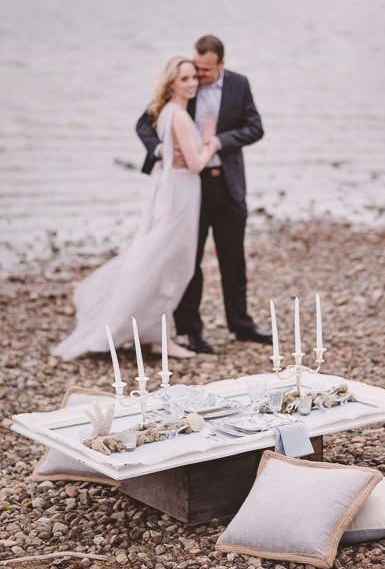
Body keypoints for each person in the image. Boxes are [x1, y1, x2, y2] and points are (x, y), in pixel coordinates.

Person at [52, 56, 217, 360]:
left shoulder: (168, 112)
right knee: (169, 264)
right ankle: (153, 335)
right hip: (181, 193)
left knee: (168, 263)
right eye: (185, 79)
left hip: (176, 190)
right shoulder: (178, 115)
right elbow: (195, 164)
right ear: (171, 82)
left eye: (194, 77)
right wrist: (210, 144)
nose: (192, 83)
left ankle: (155, 334)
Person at [136, 35, 272, 354]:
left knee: (233, 258)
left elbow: (256, 128)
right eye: (196, 68)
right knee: (189, 259)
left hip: (227, 184)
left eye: (206, 70)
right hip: (190, 188)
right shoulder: (184, 83)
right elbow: (145, 124)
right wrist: (160, 150)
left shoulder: (240, 84)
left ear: (221, 64)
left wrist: (219, 141)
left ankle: (240, 324)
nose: (199, 76)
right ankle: (190, 330)